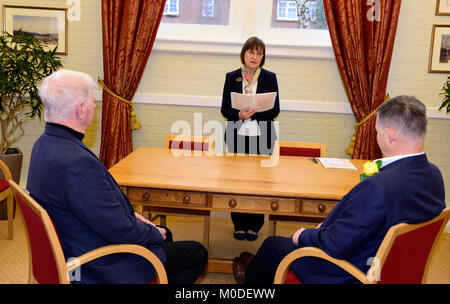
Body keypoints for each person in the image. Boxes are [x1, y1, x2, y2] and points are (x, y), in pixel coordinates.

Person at [233, 95, 446, 284]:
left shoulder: (378, 187)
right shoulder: (434, 175)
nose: (377, 136)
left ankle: (251, 278)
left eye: (378, 131)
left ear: (390, 134)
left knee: (273, 245)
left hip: (351, 272)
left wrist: (304, 235)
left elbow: (336, 245)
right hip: (395, 268)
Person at [27, 69, 208, 284]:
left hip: (73, 244)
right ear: (81, 109)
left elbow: (92, 208)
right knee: (195, 252)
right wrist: (151, 233)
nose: (95, 106)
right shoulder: (77, 163)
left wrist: (134, 220)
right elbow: (119, 230)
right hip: (95, 265)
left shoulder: (44, 144)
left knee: (164, 234)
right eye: (93, 101)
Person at [220, 36, 280, 241]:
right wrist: (238, 115)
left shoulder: (270, 77)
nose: (255, 56)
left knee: (258, 184)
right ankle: (238, 224)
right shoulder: (232, 77)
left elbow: (275, 109)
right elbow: (225, 109)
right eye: (251, 52)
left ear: (263, 57)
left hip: (262, 136)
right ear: (244, 54)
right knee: (237, 182)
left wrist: (252, 113)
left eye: (259, 53)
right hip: (237, 134)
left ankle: (254, 225)